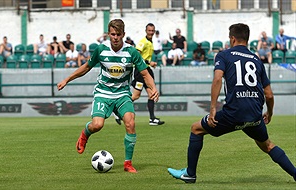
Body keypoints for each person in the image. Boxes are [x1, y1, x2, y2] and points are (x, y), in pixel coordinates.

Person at [167, 23, 296, 183]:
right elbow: (268, 95)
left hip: (233, 113)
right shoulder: (256, 60)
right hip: (254, 114)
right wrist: (269, 113)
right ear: (247, 39)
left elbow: (217, 79)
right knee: (267, 145)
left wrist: (213, 108)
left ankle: (190, 174)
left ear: (232, 38)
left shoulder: (224, 55)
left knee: (196, 129)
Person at [57, 19, 159, 173]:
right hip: (103, 93)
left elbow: (145, 73)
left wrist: (153, 88)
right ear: (109, 34)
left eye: (118, 34)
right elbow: (86, 67)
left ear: (123, 34)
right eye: (112, 34)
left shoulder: (131, 52)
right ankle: (85, 133)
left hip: (123, 94)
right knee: (97, 125)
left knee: (130, 123)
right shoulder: (101, 50)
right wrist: (67, 79)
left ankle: (128, 164)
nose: (115, 37)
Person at [131, 23, 165, 125]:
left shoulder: (150, 42)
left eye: (152, 31)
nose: (151, 32)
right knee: (136, 96)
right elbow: (136, 56)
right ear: (146, 31)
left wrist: (149, 64)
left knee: (151, 95)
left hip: (146, 70)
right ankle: (117, 108)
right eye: (149, 31)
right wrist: (149, 62)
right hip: (140, 71)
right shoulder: (143, 42)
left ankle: (152, 119)